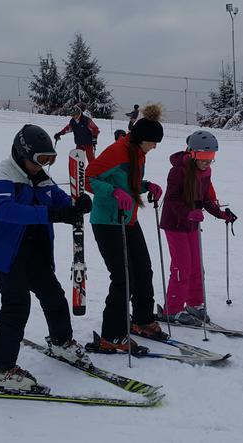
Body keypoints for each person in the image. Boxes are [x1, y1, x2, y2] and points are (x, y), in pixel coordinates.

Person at [0, 124, 94, 393]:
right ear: (20, 153)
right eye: (39, 160)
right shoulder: (3, 174)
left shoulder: (39, 176)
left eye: (49, 160)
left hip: (35, 251)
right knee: (16, 305)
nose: (43, 166)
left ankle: (61, 341)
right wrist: (49, 214)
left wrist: (75, 206)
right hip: (6, 254)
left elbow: (58, 198)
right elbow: (4, 210)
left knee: (54, 296)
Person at [84, 103, 167, 352]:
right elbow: (89, 178)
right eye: (153, 143)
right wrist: (113, 191)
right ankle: (112, 335)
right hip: (107, 221)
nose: (154, 147)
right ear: (143, 139)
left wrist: (146, 185)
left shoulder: (137, 153)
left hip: (128, 219)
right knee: (123, 277)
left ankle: (141, 320)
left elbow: (127, 182)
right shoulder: (117, 151)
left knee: (143, 270)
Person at [156, 130, 237, 325]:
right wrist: (188, 212)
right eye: (203, 157)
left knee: (196, 267)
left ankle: (194, 303)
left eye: (211, 157)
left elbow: (205, 199)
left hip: (192, 224)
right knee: (182, 266)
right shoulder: (178, 170)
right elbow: (171, 199)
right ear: (192, 153)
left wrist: (221, 214)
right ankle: (172, 309)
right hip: (175, 223)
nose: (207, 162)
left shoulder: (206, 171)